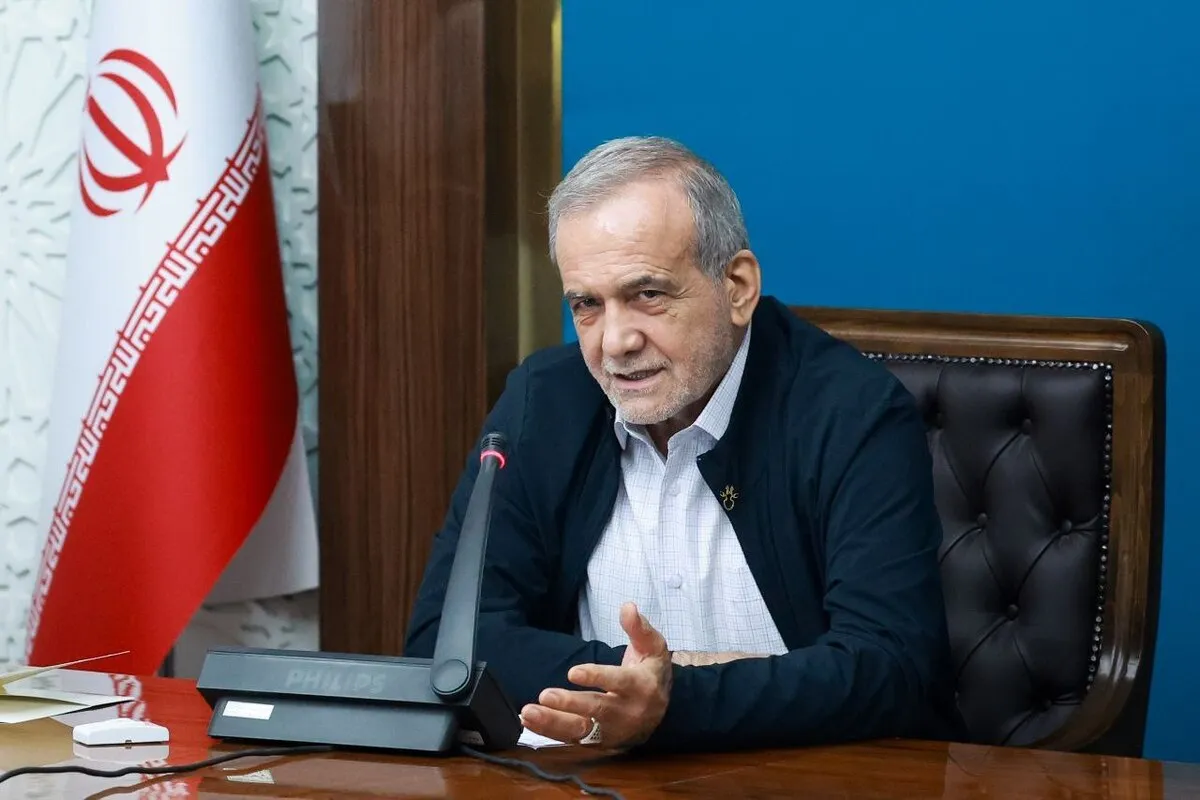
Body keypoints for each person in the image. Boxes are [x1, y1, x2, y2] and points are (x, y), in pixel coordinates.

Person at [405, 136, 962, 752]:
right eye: (587, 305)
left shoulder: (852, 411)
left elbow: (891, 668)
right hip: (593, 780)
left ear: (737, 287)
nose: (615, 342)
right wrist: (647, 679)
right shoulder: (545, 401)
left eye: (647, 295)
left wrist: (671, 698)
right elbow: (443, 644)